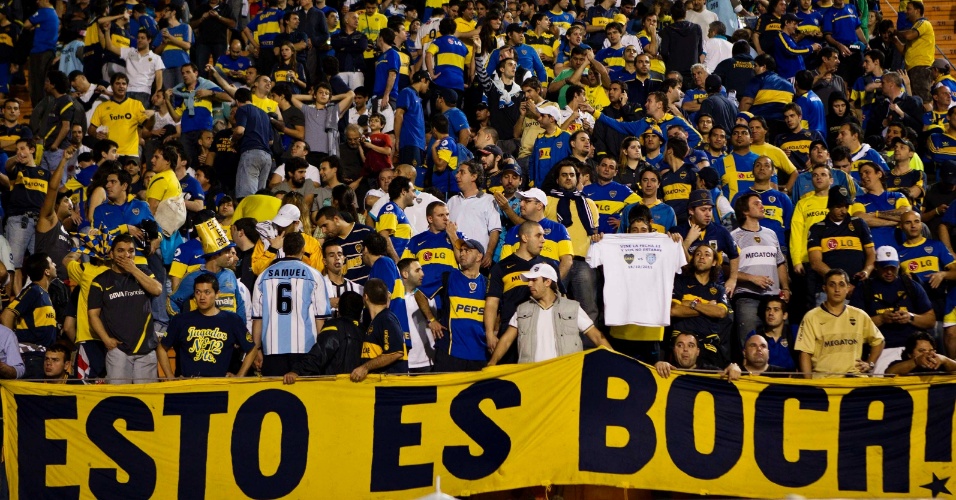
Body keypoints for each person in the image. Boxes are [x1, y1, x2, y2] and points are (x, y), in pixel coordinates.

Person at [487, 263, 611, 365]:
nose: (529, 284)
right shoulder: (522, 310)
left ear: (547, 282)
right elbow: (506, 340)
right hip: (531, 378)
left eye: (534, 280)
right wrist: (492, 363)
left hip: (565, 377)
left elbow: (596, 336)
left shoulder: (572, 308)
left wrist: (616, 360)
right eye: (529, 280)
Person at [252, 232, 332, 376]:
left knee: (275, 395)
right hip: (306, 348)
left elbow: (257, 319)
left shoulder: (263, 276)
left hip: (272, 347)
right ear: (303, 249)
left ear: (284, 248)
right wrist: (320, 353)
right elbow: (320, 318)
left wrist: (256, 350)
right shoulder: (313, 275)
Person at [88, 235, 164, 384]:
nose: (126, 255)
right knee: (119, 400)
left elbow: (157, 290)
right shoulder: (100, 281)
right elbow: (93, 315)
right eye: (120, 251)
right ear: (111, 254)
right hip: (118, 351)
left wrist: (133, 270)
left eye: (131, 251)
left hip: (146, 349)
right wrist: (106, 340)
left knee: (147, 400)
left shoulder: (144, 273)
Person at [159, 273, 256, 377]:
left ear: (217, 294)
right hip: (188, 387)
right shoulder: (181, 320)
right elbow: (161, 348)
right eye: (198, 292)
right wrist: (170, 377)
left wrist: (240, 376)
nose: (202, 297)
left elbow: (252, 349)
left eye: (207, 292)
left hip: (219, 387)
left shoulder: (231, 320)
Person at [796, 268, 885, 378]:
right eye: (832, 285)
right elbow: (805, 353)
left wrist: (870, 364)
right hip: (825, 381)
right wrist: (809, 385)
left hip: (855, 380)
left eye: (841, 284)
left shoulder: (859, 315)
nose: (837, 289)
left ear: (848, 288)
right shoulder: (812, 317)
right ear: (824, 288)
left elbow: (879, 341)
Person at [731, 192, 789, 344]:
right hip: (747, 298)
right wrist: (751, 278)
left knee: (777, 344)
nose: (762, 206)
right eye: (756, 204)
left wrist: (786, 288)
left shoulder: (771, 234)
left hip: (773, 299)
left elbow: (780, 263)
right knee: (749, 344)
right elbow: (727, 270)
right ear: (745, 211)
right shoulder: (733, 236)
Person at [670, 245, 733, 367]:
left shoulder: (719, 289)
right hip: (682, 345)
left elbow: (720, 312)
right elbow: (673, 310)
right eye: (698, 254)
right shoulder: (680, 282)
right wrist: (708, 307)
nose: (702, 257)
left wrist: (691, 304)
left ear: (714, 262)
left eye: (707, 254)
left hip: (709, 348)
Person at [432, 239, 489, 371]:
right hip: (450, 353)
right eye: (461, 250)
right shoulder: (448, 277)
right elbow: (420, 293)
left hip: (480, 355)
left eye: (467, 250)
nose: (462, 253)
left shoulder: (488, 284)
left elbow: (497, 311)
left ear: (479, 256)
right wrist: (431, 320)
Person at [350, 278, 409, 381]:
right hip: (382, 386)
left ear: (366, 297)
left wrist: (365, 367)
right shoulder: (379, 320)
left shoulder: (386, 319)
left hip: (390, 387)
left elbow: (396, 352)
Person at [447, 162, 502, 268]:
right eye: (457, 172)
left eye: (462, 172)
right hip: (453, 261)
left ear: (474, 176)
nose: (457, 176)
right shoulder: (452, 201)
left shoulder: (488, 200)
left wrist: (489, 253)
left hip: (477, 262)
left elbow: (494, 230)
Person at [316, 206, 375, 284]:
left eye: (325, 225)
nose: (323, 231)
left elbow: (379, 261)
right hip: (346, 294)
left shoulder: (366, 232)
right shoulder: (330, 245)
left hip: (369, 291)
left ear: (336, 219)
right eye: (321, 228)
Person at [891, 1, 935, 105]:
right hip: (913, 68)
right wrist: (894, 39)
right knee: (916, 99)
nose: (906, 12)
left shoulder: (923, 23)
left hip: (921, 67)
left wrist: (896, 32)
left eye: (909, 9)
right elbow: (904, 51)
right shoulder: (914, 29)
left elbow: (908, 36)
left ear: (917, 11)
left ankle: (929, 120)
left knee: (923, 99)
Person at [654, 331, 741, 379]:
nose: (685, 349)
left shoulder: (712, 372)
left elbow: (728, 374)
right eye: (680, 345)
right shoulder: (666, 370)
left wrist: (733, 368)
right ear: (674, 350)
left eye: (691, 346)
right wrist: (656, 367)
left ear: (698, 352)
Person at [749, 296, 796, 370]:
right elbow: (746, 363)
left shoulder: (793, 332)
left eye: (776, 310)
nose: (770, 313)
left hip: (789, 380)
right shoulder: (755, 335)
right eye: (768, 309)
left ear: (785, 315)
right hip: (763, 379)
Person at [886, 331, 956, 374]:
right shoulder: (900, 364)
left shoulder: (939, 365)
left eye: (931, 351)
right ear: (910, 354)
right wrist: (916, 361)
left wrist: (945, 360)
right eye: (921, 351)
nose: (927, 354)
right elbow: (889, 373)